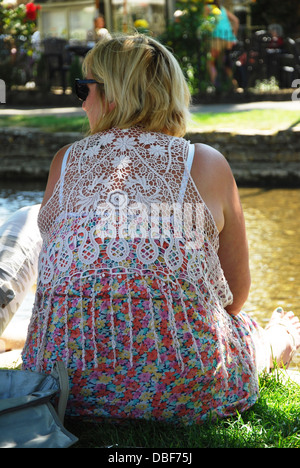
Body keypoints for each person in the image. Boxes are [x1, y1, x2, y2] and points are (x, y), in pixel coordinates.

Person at [22, 34, 300, 425]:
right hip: (187, 388)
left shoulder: (64, 162)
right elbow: (235, 299)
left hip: (61, 384)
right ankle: (282, 340)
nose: (81, 100)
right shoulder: (205, 163)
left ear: (114, 94)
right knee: (243, 328)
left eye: (84, 88)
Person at [206, 0, 239, 89]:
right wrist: (233, 36)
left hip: (217, 38)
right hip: (228, 39)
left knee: (210, 62)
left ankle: (215, 84)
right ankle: (233, 85)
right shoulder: (223, 9)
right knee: (226, 63)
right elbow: (236, 20)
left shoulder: (208, 8)